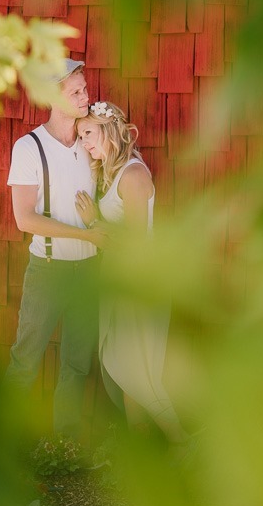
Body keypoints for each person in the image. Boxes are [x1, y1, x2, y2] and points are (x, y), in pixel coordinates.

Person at [5, 59, 106, 439]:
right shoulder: (29, 147)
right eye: (76, 92)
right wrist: (88, 236)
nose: (86, 96)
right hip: (48, 270)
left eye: (85, 88)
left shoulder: (90, 142)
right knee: (26, 359)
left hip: (89, 271)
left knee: (77, 363)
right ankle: (4, 441)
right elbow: (25, 220)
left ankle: (67, 443)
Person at [75, 101, 186, 443]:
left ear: (109, 130)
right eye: (80, 136)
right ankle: (142, 447)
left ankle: (183, 441)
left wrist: (94, 222)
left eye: (88, 133)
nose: (84, 143)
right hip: (120, 280)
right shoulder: (112, 171)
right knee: (126, 367)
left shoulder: (134, 175)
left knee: (136, 369)